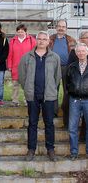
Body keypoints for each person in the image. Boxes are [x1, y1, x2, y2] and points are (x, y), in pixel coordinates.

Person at [19, 31, 61, 162]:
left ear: (48, 41)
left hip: (48, 96)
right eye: (39, 39)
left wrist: (52, 89)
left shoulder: (55, 57)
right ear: (36, 40)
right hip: (32, 95)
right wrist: (27, 89)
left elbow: (57, 77)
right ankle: (31, 149)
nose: (42, 41)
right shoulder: (27, 57)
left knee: (49, 123)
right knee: (32, 123)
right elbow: (22, 76)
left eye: (44, 39)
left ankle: (50, 149)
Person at [49, 19, 76, 126]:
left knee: (67, 90)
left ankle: (66, 111)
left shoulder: (71, 40)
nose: (61, 28)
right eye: (59, 26)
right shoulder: (50, 39)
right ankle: (53, 111)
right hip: (53, 67)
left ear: (66, 28)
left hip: (67, 68)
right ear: (56, 28)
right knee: (53, 89)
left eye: (63, 26)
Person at [66, 43, 88, 160]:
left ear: (87, 52)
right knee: (72, 128)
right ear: (76, 53)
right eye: (79, 51)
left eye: (83, 51)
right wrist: (71, 92)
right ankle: (74, 152)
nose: (81, 53)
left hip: (87, 100)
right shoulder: (72, 66)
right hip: (74, 100)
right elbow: (67, 83)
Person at [7, 24, 36, 106]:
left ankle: (27, 100)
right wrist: (9, 65)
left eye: (22, 31)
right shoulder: (13, 41)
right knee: (15, 85)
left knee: (27, 85)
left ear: (26, 32)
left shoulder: (31, 40)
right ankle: (15, 100)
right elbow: (10, 54)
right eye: (18, 31)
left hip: (28, 66)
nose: (20, 33)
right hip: (15, 66)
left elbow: (35, 53)